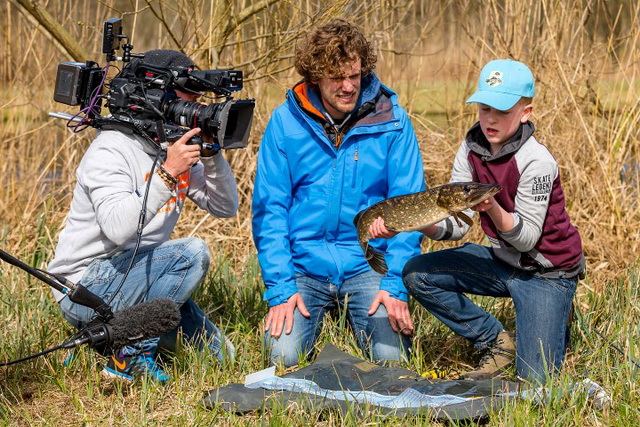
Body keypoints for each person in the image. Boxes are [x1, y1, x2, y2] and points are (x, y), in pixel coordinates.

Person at [369, 59, 585, 384]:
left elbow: (526, 240)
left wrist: (492, 207)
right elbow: (457, 227)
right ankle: (495, 341)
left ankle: (554, 309)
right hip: (502, 262)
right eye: (485, 108)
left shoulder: (538, 161)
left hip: (547, 272)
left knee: (534, 385)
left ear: (526, 112)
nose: (490, 119)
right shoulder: (469, 150)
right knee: (416, 273)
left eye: (502, 110)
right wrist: (417, 223)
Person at [48, 50, 237, 383]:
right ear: (155, 98)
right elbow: (120, 230)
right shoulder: (111, 149)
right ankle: (129, 357)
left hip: (139, 278)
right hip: (84, 287)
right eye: (189, 99)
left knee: (221, 357)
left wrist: (210, 153)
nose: (196, 108)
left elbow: (225, 207)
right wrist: (168, 173)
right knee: (192, 253)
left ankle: (108, 339)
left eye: (200, 100)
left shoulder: (171, 146)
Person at [252, 19, 425, 367]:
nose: (348, 87)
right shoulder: (285, 123)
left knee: (394, 362)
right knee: (283, 359)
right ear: (315, 76)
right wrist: (282, 289)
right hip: (304, 266)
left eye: (355, 76)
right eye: (336, 78)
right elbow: (270, 210)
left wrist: (394, 285)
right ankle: (316, 310)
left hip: (368, 264)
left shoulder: (393, 122)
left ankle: (356, 312)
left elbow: (411, 207)